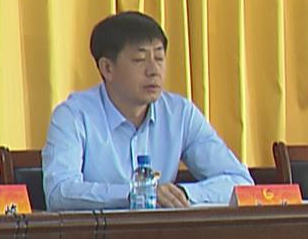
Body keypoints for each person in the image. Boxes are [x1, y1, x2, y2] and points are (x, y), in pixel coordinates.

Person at [43, 11, 252, 210]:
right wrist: (136, 194)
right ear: (107, 68)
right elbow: (59, 193)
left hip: (164, 234)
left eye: (159, 58)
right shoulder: (73, 116)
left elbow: (240, 182)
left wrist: (181, 194)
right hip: (98, 235)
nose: (154, 71)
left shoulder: (180, 114)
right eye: (140, 60)